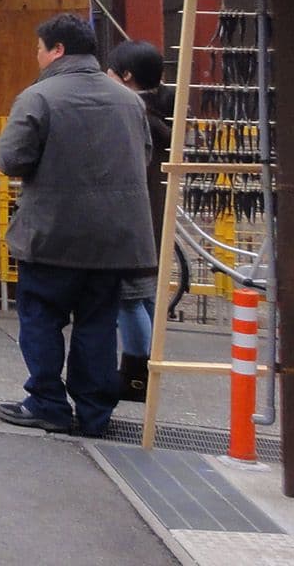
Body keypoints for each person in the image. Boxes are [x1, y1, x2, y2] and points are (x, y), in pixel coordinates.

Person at [0, 14, 156, 437]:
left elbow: (11, 159)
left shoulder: (39, 97)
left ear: (58, 50)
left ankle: (47, 402)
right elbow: (144, 158)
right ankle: (93, 412)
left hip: (53, 234)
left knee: (42, 318)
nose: (38, 56)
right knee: (98, 323)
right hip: (114, 239)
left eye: (40, 48)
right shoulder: (129, 101)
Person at [105, 39, 174, 403]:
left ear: (127, 76)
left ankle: (137, 375)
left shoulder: (130, 113)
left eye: (112, 71)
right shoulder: (164, 109)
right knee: (144, 293)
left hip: (134, 212)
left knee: (130, 298)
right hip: (156, 211)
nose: (106, 77)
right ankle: (147, 368)